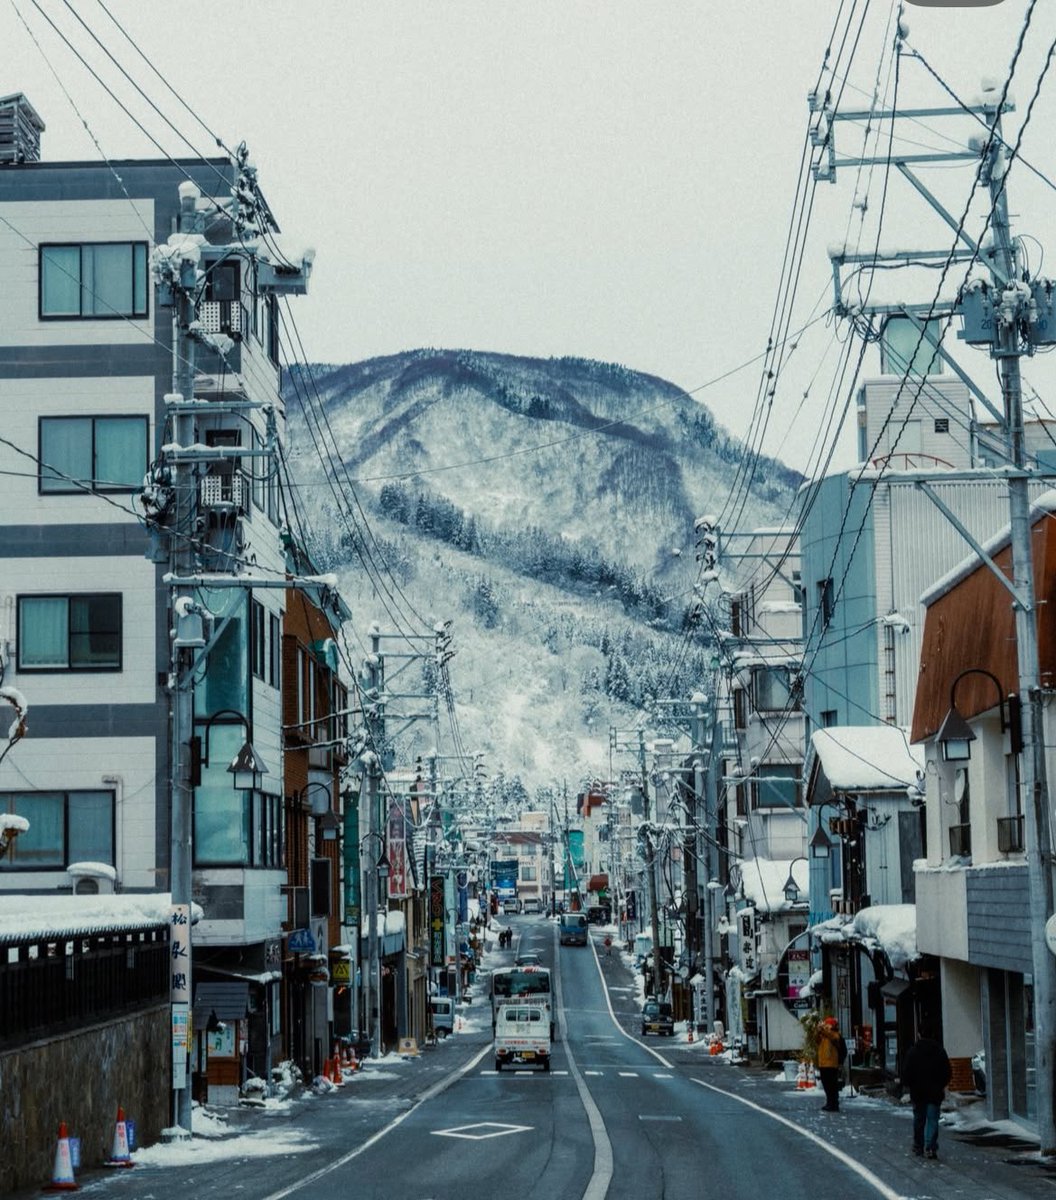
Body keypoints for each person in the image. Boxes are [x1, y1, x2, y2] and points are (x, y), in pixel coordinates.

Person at [902, 1033, 952, 1159]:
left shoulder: (913, 1052)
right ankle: (930, 1146)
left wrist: (910, 1084)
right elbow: (947, 1072)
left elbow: (907, 1073)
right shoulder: (939, 1051)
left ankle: (918, 1146)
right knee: (932, 1120)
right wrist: (940, 1084)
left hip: (918, 1092)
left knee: (919, 1119)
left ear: (919, 1035)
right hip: (934, 1093)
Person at [816, 1015, 842, 1112]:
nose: (826, 1026)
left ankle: (834, 1103)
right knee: (826, 1085)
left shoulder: (835, 1035)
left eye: (827, 1025)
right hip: (823, 1063)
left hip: (831, 1064)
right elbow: (816, 1040)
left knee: (832, 1085)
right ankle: (829, 1102)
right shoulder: (823, 1036)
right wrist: (818, 1031)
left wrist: (823, 1030)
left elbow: (831, 1036)